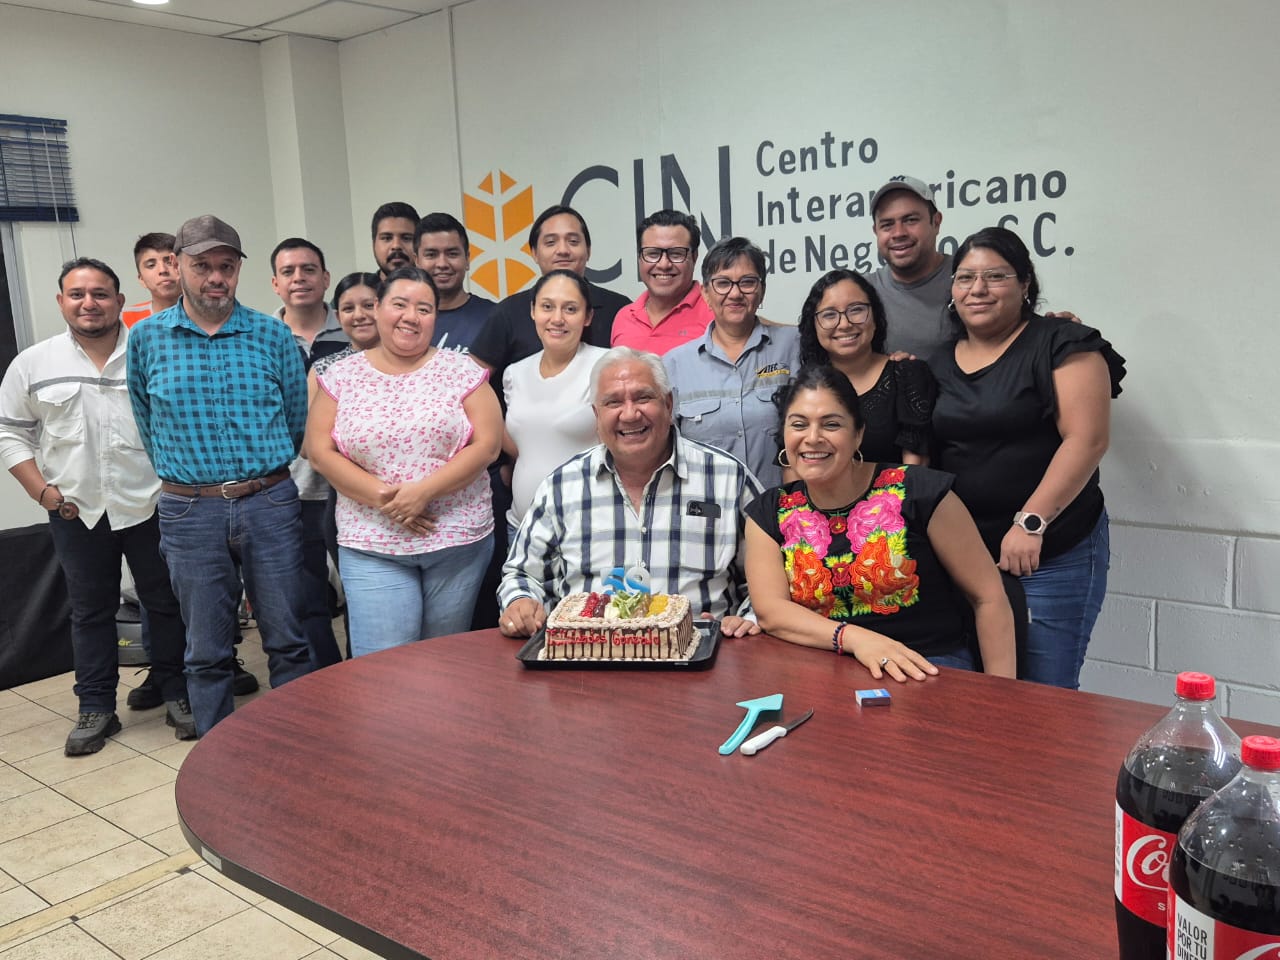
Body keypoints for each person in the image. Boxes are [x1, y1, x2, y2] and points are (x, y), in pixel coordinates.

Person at [127, 214, 314, 736]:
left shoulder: (272, 335)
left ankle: (300, 749)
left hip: (269, 501)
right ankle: (215, 757)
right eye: (202, 265)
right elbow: (147, 421)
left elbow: (296, 420)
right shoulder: (146, 339)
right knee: (206, 649)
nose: (215, 277)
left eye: (226, 266)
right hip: (189, 509)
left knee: (288, 640)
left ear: (237, 270)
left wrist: (260, 475)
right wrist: (192, 479)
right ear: (177, 265)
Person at [0, 258, 194, 753]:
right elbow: (11, 433)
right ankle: (96, 707)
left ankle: (177, 692)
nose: (89, 303)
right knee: (90, 611)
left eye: (101, 294)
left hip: (151, 503)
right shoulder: (34, 364)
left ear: (119, 301)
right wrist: (42, 492)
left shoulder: (151, 352)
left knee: (165, 602)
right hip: (75, 510)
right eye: (78, 294)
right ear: (61, 301)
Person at [929, 226, 1125, 689]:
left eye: (995, 276)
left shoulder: (1062, 342)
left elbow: (1087, 440)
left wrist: (1030, 523)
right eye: (965, 277)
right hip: (967, 559)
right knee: (977, 690)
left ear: (1025, 284)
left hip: (1050, 552)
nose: (977, 289)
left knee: (1044, 693)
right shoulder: (938, 361)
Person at [744, 365, 1016, 681]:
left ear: (858, 433)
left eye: (831, 424)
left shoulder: (921, 492)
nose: (813, 438)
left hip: (926, 668)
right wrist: (855, 639)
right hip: (821, 672)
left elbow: (989, 597)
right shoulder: (770, 512)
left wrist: (1002, 696)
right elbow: (771, 611)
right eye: (799, 424)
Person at [498, 347, 761, 640]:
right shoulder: (562, 486)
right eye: (613, 402)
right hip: (587, 656)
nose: (630, 414)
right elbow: (522, 574)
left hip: (700, 654)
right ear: (596, 415)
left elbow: (771, 582)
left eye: (643, 398)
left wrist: (747, 620)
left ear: (668, 404)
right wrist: (521, 602)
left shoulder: (728, 479)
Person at [307, 266, 502, 654]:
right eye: (400, 304)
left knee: (444, 661)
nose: (411, 316)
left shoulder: (462, 370)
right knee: (383, 667)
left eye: (424, 309)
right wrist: (389, 500)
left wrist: (423, 493)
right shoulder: (341, 375)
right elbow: (319, 450)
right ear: (378, 307)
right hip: (371, 542)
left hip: (456, 542)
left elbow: (488, 445)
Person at [662, 237, 799, 488]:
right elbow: (665, 451)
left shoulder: (794, 346)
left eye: (747, 282)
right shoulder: (674, 365)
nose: (735, 294)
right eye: (723, 283)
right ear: (705, 293)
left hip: (782, 503)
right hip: (707, 507)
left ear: (762, 290)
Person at [270, 237, 347, 669]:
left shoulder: (355, 327)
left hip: (349, 487)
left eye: (309, 269)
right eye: (288, 271)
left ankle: (365, 673)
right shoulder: (262, 336)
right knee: (307, 597)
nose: (299, 278)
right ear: (276, 283)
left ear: (325, 277)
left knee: (361, 591)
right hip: (289, 489)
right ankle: (328, 678)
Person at [469, 204, 629, 392]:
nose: (563, 250)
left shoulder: (619, 309)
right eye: (551, 242)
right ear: (534, 253)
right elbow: (468, 383)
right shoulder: (508, 312)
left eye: (573, 241)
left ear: (588, 250)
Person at [502, 270, 606, 536]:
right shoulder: (515, 373)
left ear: (587, 316)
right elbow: (520, 445)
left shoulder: (607, 366)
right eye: (547, 307)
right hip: (522, 528)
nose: (557, 318)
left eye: (570, 309)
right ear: (533, 311)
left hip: (588, 529)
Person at [797, 269, 935, 464]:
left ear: (875, 317)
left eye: (856, 310)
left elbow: (915, 469)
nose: (844, 324)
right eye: (829, 315)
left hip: (897, 485)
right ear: (814, 325)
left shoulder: (907, 375)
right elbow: (793, 464)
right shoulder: (805, 387)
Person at [610, 209, 713, 354]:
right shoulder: (624, 317)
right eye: (653, 254)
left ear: (694, 257)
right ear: (639, 257)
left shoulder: (715, 311)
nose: (664, 265)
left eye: (676, 254)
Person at [414, 212, 494, 355]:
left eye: (452, 254)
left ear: (467, 259)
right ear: (417, 261)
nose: (442, 264)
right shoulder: (404, 321)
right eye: (431, 255)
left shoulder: (495, 318)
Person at [122, 233, 180, 328]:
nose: (163, 270)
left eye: (170, 262)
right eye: (151, 265)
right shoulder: (123, 319)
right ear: (141, 279)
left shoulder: (204, 314)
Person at [371, 201, 419, 280]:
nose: (396, 245)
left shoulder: (434, 287)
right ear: (374, 245)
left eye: (406, 238)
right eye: (387, 238)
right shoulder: (361, 288)